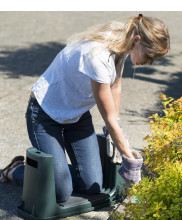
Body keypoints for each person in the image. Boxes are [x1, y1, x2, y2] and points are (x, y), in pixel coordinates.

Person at [0, 14, 170, 203]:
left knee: (92, 186)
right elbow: (108, 118)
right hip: (44, 115)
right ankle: (15, 171)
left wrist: (117, 128)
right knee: (61, 191)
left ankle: (57, 172)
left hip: (76, 116)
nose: (150, 62)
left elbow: (115, 86)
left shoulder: (121, 46)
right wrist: (129, 158)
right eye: (150, 56)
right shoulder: (98, 55)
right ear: (137, 40)